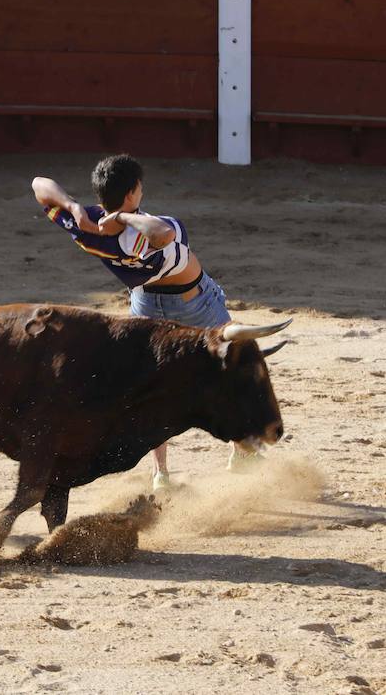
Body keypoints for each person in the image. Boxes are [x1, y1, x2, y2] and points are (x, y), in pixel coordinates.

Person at [31, 155, 254, 489]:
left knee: (152, 385)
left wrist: (75, 207)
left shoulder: (85, 228)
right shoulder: (148, 228)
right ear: (133, 193)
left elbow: (39, 184)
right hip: (193, 302)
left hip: (145, 302)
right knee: (232, 368)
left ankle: (160, 473)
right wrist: (124, 216)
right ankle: (242, 449)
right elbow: (163, 234)